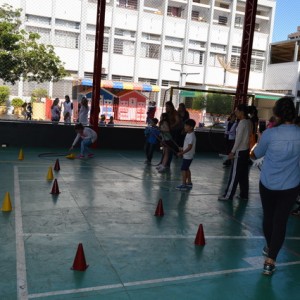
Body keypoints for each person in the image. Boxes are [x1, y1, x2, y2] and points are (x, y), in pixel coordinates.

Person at [252, 97, 300, 275]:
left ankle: (270, 247)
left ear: (277, 113)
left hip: (268, 183)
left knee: (269, 218)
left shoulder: (270, 134)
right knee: (280, 221)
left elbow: (256, 153)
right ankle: (270, 260)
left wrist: (258, 140)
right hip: (291, 184)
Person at [218, 104, 251, 201]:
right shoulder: (249, 122)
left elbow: (238, 139)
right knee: (243, 174)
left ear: (242, 112)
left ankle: (228, 195)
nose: (235, 112)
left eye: (236, 111)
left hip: (240, 151)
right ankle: (244, 194)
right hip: (245, 151)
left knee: (234, 174)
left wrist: (232, 151)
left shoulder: (241, 123)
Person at [176, 119, 197, 191]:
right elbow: (188, 146)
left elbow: (190, 147)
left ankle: (184, 184)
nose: (184, 127)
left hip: (188, 156)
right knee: (187, 168)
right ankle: (189, 183)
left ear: (191, 127)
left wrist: (181, 153)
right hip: (187, 155)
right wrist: (182, 148)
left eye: (186, 126)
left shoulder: (191, 135)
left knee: (183, 169)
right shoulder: (188, 134)